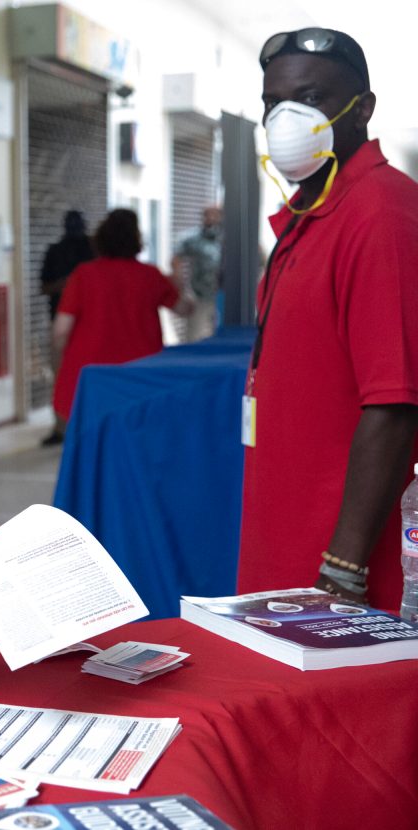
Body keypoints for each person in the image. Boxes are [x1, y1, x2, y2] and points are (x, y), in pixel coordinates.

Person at [239, 28, 418, 609]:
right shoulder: (309, 213)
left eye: (310, 98)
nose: (284, 117)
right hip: (287, 534)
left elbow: (394, 402)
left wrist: (344, 568)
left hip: (340, 570)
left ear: (362, 109)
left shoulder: (381, 215)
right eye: (272, 102)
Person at [50, 209, 187, 429]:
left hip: (91, 376)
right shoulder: (151, 275)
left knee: (90, 443)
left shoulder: (83, 275)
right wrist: (179, 282)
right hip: (140, 375)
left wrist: (62, 357)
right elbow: (184, 309)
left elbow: (61, 331)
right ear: (136, 239)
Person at [39, 210, 94, 446]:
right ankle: (61, 427)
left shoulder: (93, 251)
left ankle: (84, 424)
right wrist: (64, 285)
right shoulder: (55, 251)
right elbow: (44, 286)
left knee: (86, 375)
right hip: (62, 318)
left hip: (89, 323)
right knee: (61, 375)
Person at [171, 205, 223, 342]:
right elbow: (176, 260)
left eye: (215, 215)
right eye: (207, 215)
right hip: (200, 295)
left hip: (225, 297)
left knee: (224, 337)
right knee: (195, 337)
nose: (211, 219)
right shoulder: (193, 238)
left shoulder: (231, 238)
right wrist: (182, 291)